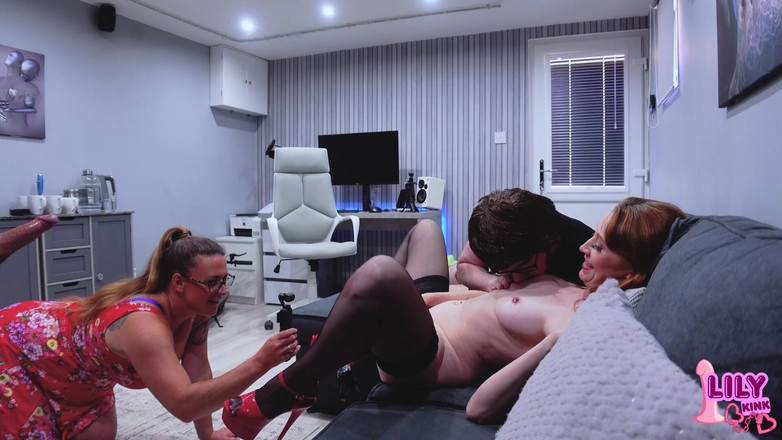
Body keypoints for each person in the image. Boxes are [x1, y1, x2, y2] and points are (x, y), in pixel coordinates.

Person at [221, 197, 686, 439]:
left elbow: (480, 408)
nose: (583, 246)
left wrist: (551, 345)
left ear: (631, 267)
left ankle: (287, 390)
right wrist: (432, 298)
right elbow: (477, 291)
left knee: (380, 273)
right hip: (424, 318)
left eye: (599, 246)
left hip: (429, 357)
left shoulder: (577, 324)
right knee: (425, 228)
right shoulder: (568, 279)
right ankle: (350, 335)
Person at [0, 226, 300, 439]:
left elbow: (198, 376)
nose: (222, 291)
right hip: (21, 347)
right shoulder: (143, 325)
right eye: (212, 282)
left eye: (224, 280)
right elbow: (184, 404)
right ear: (179, 282)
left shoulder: (195, 312)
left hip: (84, 375)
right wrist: (260, 362)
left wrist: (208, 435)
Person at [457, 188, 594, 291]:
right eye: (506, 270)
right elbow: (464, 267)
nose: (517, 279)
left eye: (525, 269)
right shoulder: (492, 232)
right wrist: (491, 282)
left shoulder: (585, 250)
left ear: (553, 243)